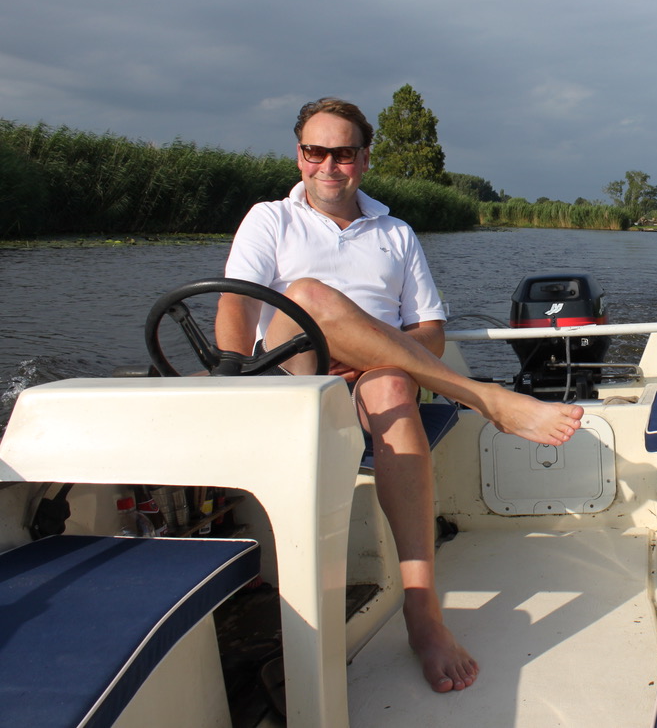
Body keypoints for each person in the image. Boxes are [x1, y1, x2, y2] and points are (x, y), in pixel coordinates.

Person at [215, 97, 584, 693]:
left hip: (370, 379)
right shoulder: (270, 219)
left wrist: (369, 351)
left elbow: (430, 334)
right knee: (306, 294)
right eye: (316, 151)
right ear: (300, 154)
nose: (328, 166)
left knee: (390, 382)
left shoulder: (396, 232)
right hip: (294, 374)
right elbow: (237, 300)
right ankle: (483, 397)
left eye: (343, 153)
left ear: (363, 158)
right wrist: (231, 366)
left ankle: (422, 612)